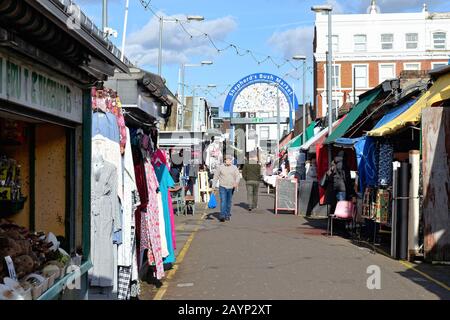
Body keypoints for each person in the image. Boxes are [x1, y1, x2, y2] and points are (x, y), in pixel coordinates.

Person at [212, 154, 241, 222]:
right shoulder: (220, 167)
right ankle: (222, 215)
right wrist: (213, 186)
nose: (229, 161)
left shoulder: (234, 167)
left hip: (231, 187)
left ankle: (227, 214)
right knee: (223, 201)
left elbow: (238, 176)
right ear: (225, 160)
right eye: (227, 160)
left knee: (228, 202)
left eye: (230, 160)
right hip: (222, 186)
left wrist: (236, 182)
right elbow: (216, 177)